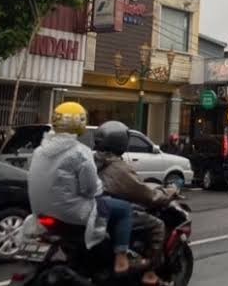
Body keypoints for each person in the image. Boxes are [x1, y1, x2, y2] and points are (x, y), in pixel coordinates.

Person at [27, 102, 138, 275]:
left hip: (40, 211)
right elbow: (90, 189)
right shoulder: (80, 152)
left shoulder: (39, 151)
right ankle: (121, 258)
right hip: (71, 213)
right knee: (124, 210)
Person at [94, 121, 176, 286]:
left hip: (92, 209)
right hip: (109, 211)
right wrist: (168, 192)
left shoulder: (93, 159)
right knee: (158, 225)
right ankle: (149, 271)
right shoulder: (117, 167)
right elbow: (148, 195)